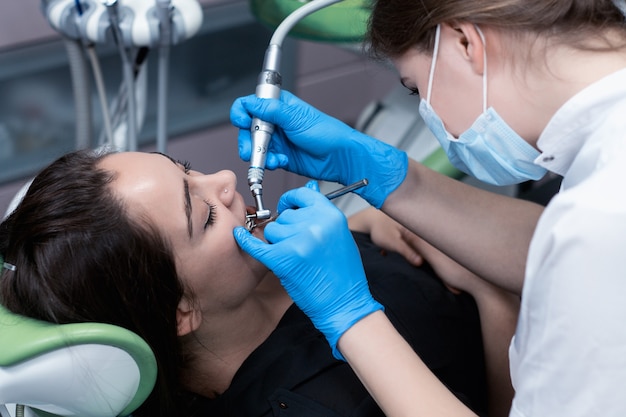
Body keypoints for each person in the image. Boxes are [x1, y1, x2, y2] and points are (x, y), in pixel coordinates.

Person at [229, 0, 626, 416]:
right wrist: (390, 177)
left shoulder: (598, 220)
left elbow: (582, 247)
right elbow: (548, 247)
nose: (222, 184)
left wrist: (349, 315)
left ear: (464, 40)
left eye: (415, 87)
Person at [0, 149, 492, 417]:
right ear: (180, 310)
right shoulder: (308, 404)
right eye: (206, 214)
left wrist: (370, 225)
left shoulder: (275, 272)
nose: (225, 178)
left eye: (187, 170)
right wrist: (494, 297)